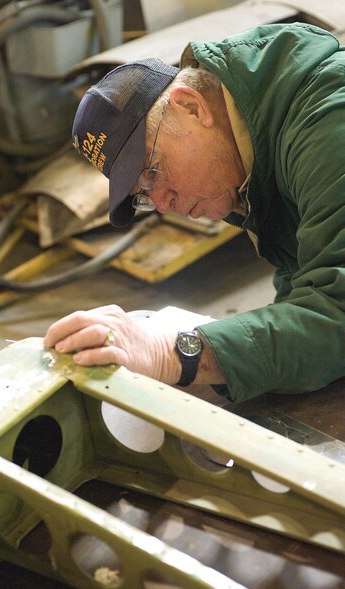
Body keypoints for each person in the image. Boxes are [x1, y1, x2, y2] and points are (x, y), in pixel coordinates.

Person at [44, 22, 345, 403]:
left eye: (153, 172)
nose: (165, 204)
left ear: (191, 106)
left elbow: (337, 310)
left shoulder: (328, 122)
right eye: (145, 195)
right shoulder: (257, 163)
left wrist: (175, 353)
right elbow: (307, 290)